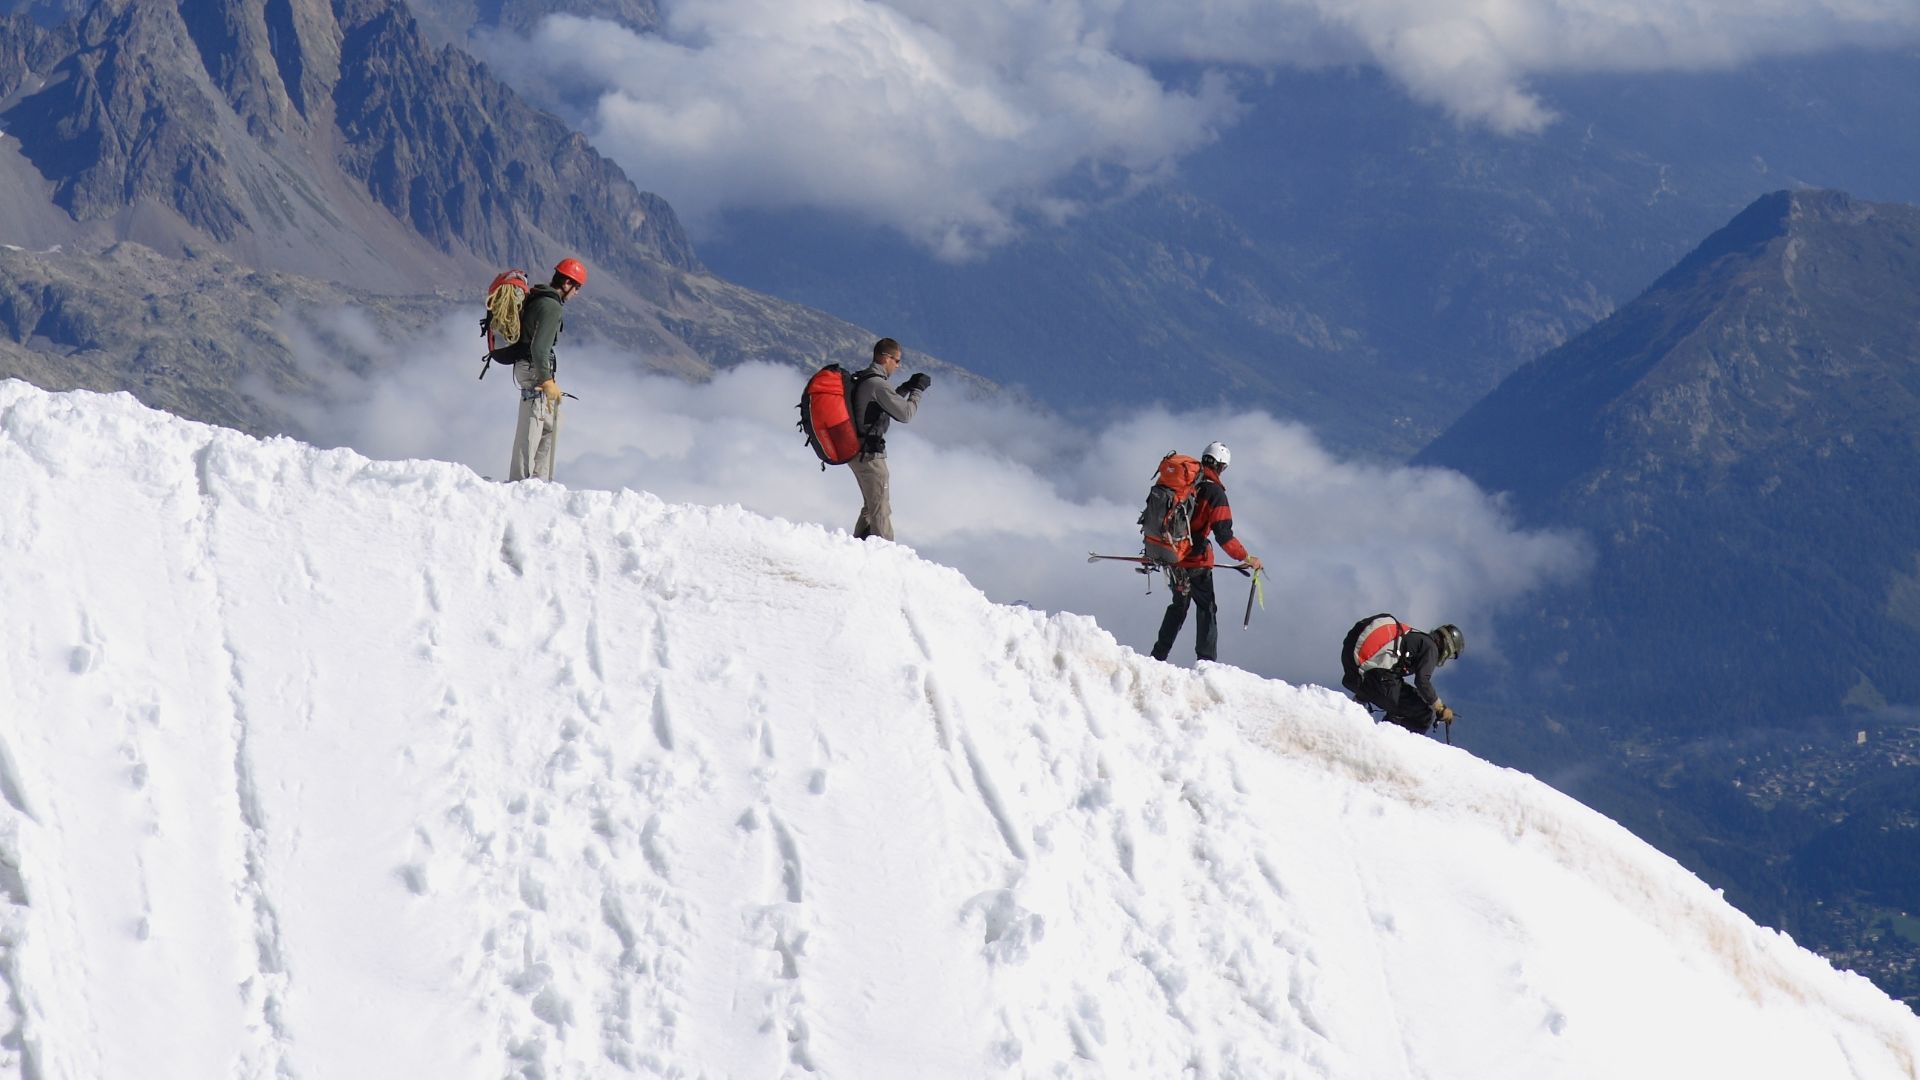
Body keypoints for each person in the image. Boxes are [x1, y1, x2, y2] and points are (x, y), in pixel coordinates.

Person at [1150, 441, 1262, 663]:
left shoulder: (1186, 484)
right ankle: (1206, 662)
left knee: (1179, 605)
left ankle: (1158, 656)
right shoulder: (1215, 493)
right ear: (1222, 466)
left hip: (1172, 556)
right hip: (1196, 561)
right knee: (1206, 608)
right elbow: (1224, 535)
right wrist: (1246, 557)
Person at [509, 257, 587, 482]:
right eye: (577, 287)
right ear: (566, 283)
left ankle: (537, 480)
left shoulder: (539, 297)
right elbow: (540, 348)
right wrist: (546, 380)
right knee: (532, 425)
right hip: (534, 370)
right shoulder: (551, 306)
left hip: (528, 367)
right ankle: (520, 482)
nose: (577, 293)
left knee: (552, 423)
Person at [848, 337, 929, 541]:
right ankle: (885, 554)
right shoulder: (877, 384)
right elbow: (906, 414)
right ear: (886, 358)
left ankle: (858, 546)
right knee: (880, 508)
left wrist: (904, 388)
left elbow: (879, 407)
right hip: (870, 456)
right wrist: (917, 391)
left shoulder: (865, 379)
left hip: (855, 451)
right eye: (897, 360)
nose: (898, 365)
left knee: (871, 505)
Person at [1339, 616, 1465, 735]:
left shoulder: (1416, 638)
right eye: (1451, 655)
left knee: (1404, 696)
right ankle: (1388, 743)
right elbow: (1422, 681)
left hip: (1358, 672)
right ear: (1447, 648)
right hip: (1379, 678)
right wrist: (1440, 708)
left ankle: (1354, 719)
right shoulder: (1431, 647)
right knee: (1425, 713)